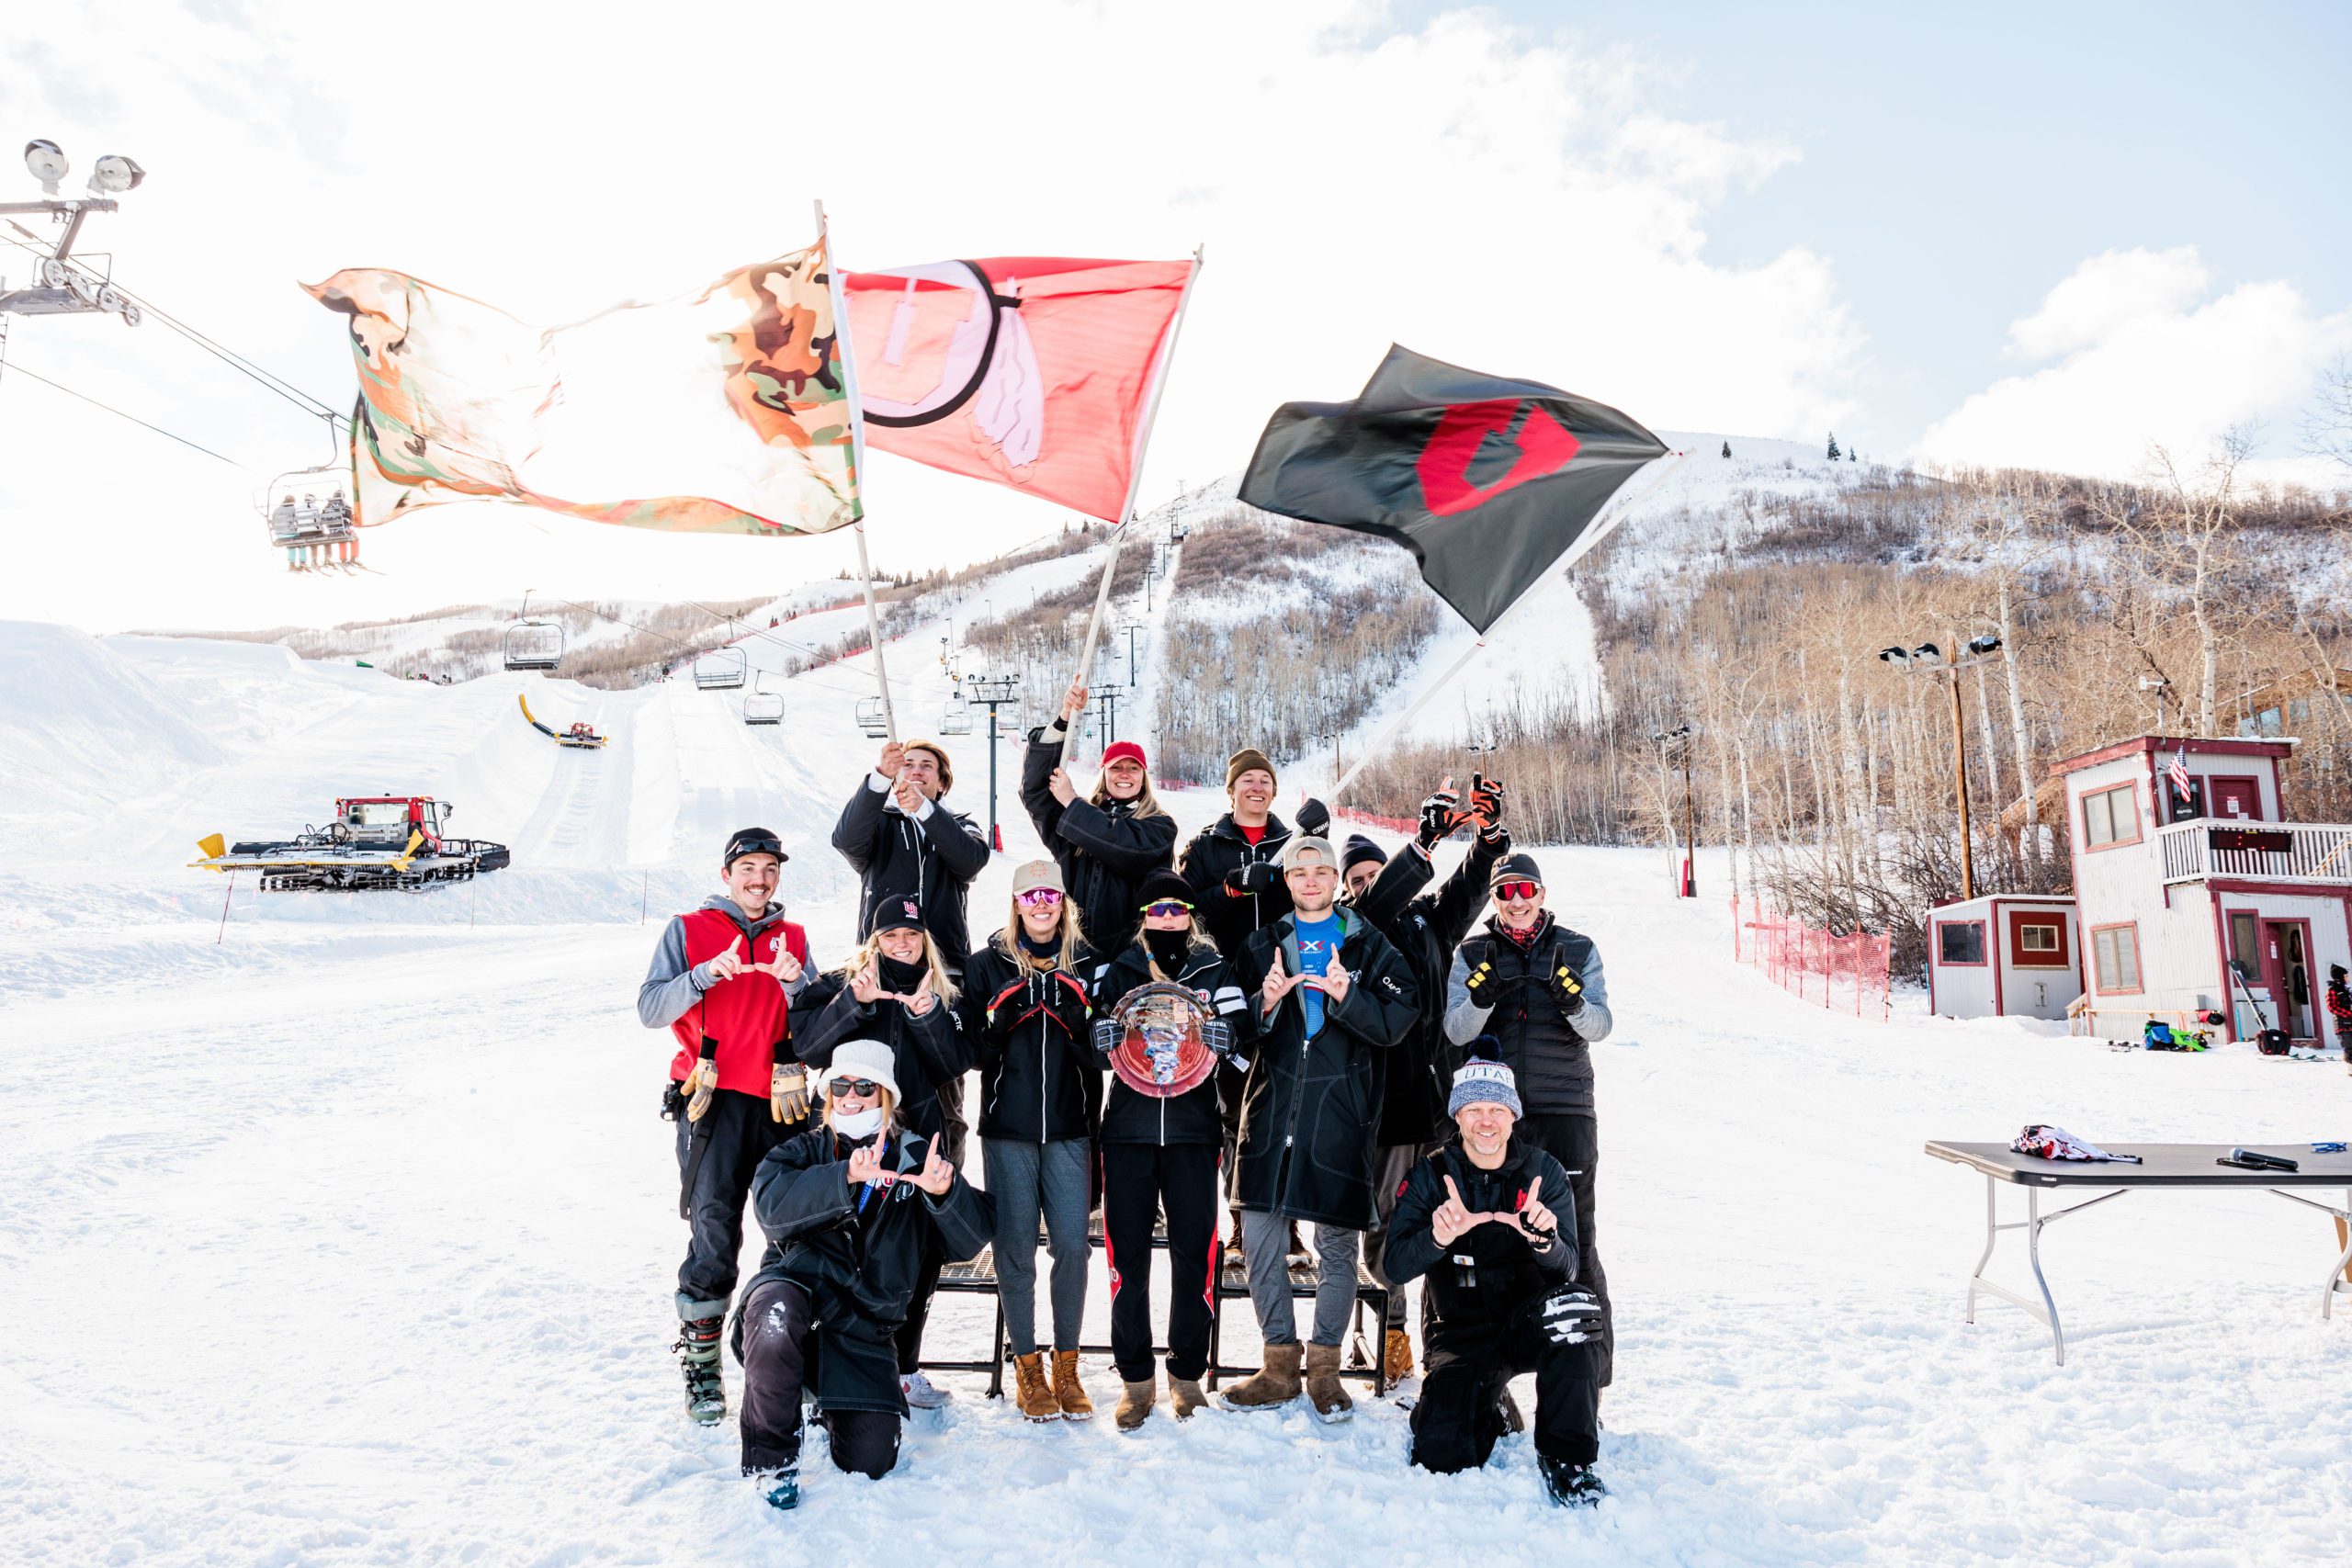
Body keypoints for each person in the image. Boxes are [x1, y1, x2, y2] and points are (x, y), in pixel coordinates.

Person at [736, 1042, 993, 1509]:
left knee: (871, 1459)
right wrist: (844, 1178)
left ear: (886, 1096)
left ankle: (828, 1402)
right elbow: (771, 1210)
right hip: (797, 1293)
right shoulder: (803, 1150)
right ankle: (774, 1460)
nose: (850, 1097)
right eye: (840, 1086)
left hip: (862, 1329)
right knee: (773, 1318)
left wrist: (943, 1192)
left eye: (864, 1087)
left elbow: (969, 1240)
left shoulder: (916, 1157)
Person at [1219, 835, 1418, 1421]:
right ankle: (1279, 1364)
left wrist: (1348, 995)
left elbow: (1397, 1022)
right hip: (1270, 1109)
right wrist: (1266, 1002)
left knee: (1336, 1247)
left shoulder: (1369, 945)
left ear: (1335, 880)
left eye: (1320, 871)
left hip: (1340, 1113)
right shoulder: (1260, 944)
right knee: (1259, 1241)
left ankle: (1325, 1372)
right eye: (1299, 871)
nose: (1310, 880)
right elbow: (1231, 1030)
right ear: (1286, 880)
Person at [636, 827, 814, 1424]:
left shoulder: (793, 935)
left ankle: (776, 1350)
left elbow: (818, 1021)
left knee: (792, 1230)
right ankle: (702, 1366)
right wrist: (704, 976)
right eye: (748, 868)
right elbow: (650, 1009)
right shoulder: (687, 930)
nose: (759, 879)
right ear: (726, 873)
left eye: (769, 868)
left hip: (780, 1103)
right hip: (710, 1102)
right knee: (715, 1234)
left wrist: (797, 983)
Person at [1342, 774, 1510, 1385]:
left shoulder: (1427, 921)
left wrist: (1488, 837)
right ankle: (1388, 1331)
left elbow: (1468, 889)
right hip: (1382, 1108)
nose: (1365, 883)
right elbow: (1374, 906)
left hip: (1436, 1101)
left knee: (1451, 1219)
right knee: (1387, 1227)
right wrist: (1419, 847)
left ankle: (1441, 1334)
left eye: (1371, 872)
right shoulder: (1351, 927)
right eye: (1356, 877)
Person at [1383, 1055, 1605, 1507]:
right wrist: (1437, 1237)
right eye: (1475, 1110)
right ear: (1458, 1116)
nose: (1487, 1121)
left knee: (1576, 1308)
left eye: (1497, 1110)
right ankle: (1486, 1403)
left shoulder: (1544, 1173)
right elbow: (1393, 1267)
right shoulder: (1431, 1174)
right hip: (1460, 1332)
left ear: (1513, 1116)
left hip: (1526, 1322)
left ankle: (1568, 1458)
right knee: (1441, 1455)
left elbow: (1567, 1271)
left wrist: (1545, 1242)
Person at [1088, 867, 1255, 1428]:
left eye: (1176, 908)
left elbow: (1242, 1058)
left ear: (1190, 915)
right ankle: (1136, 1382)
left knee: (1195, 1255)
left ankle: (1186, 1376)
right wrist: (1097, 1040)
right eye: (1155, 909)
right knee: (1126, 1260)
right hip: (1129, 1133)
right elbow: (1090, 1048)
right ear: (1142, 917)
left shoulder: (1216, 969)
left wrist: (1228, 1040)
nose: (1166, 918)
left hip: (1192, 1132)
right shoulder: (1120, 970)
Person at [1443, 852, 1617, 1393]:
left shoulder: (1578, 948)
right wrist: (1479, 999)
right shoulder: (1472, 951)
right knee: (1489, 1231)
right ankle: (1481, 1368)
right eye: (1506, 893)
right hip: (1495, 1117)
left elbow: (1600, 1026)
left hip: (1564, 1109)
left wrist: (1571, 1003)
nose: (1517, 902)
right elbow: (1454, 1029)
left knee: (1575, 1237)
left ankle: (1590, 1375)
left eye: (1527, 891)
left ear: (1542, 894)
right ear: (1494, 899)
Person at [793, 891, 973, 1408]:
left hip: (921, 1141)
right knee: (839, 1243)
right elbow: (807, 1047)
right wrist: (856, 1002)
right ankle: (822, 1361)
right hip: (847, 1142)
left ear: (925, 941)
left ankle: (905, 1365)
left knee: (918, 1254)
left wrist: (927, 1018)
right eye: (891, 935)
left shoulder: (945, 993)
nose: (902, 944)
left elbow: (958, 1061)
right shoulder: (839, 983)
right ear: (874, 939)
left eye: (911, 935)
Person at [960, 861, 1099, 1421]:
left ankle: (1067, 1364)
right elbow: (971, 1053)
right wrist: (998, 1021)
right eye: (1030, 895)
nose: (1041, 904)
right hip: (1008, 1130)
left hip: (1070, 1129)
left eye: (1051, 895)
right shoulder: (984, 965)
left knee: (1072, 1246)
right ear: (1016, 903)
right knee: (1015, 1251)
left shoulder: (1087, 961)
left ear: (1063, 902)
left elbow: (1105, 1054)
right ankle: (1027, 1366)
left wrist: (1080, 1019)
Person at [1178, 748, 1329, 1258]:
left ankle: (1284, 1221)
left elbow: (1319, 895)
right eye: (1248, 780)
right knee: (1236, 1111)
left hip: (1288, 983)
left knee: (1286, 1109)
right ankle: (1245, 1217)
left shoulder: (1292, 843)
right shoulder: (1205, 846)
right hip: (1225, 988)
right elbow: (1185, 913)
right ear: (1232, 790)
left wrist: (1318, 840)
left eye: (1265, 779)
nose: (1257, 788)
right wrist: (1231, 888)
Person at [1021, 680, 1180, 953]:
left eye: (1133, 768)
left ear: (1144, 777)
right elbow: (1035, 793)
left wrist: (1072, 802)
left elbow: (1122, 846)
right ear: (1104, 774)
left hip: (1131, 954)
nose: (1125, 774)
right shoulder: (1075, 820)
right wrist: (1064, 717)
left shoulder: (1159, 826)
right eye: (1116, 767)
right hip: (1073, 951)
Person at [831, 737, 992, 982]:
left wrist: (924, 808)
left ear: (942, 783)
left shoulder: (962, 826)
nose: (917, 770)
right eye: (908, 764)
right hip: (879, 966)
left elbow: (970, 863)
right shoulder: (879, 822)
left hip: (945, 967)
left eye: (927, 765)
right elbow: (846, 840)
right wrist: (881, 776)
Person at [2328, 963, 2351, 1070]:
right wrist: (2349, 1014)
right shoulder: (2333, 990)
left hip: (2350, 1023)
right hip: (2343, 1025)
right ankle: (2350, 1067)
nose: (2348, 978)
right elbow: (2332, 1007)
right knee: (2349, 1046)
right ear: (2339, 977)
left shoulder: (2346, 991)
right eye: (2346, 976)